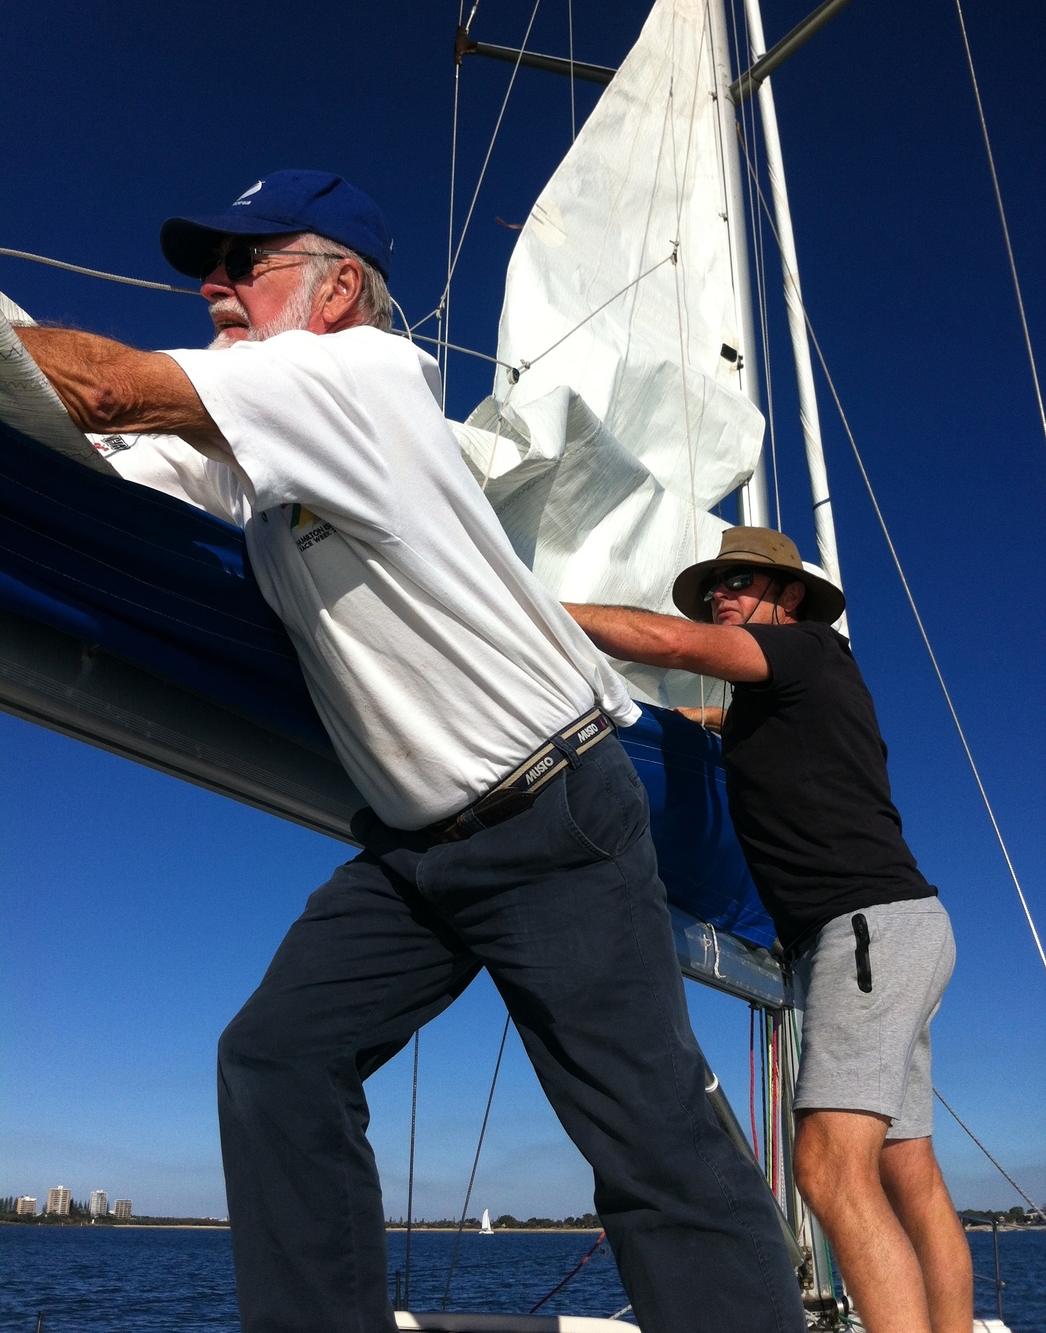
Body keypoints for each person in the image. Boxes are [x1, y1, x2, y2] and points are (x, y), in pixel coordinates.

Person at [14, 172, 805, 1333]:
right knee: (275, 1058)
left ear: (338, 289)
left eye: (245, 263)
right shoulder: (262, 443)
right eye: (210, 267)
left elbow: (106, 386)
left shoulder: (355, 379)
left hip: (549, 813)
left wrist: (91, 383)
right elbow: (94, 436)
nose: (213, 285)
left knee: (647, 1134)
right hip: (416, 849)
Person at [565, 526, 973, 1333]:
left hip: (861, 935)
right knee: (909, 1173)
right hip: (901, 930)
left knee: (826, 1171)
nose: (722, 595)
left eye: (739, 582)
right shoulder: (779, 698)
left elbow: (667, 642)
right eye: (716, 586)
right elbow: (709, 715)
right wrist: (667, 720)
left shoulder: (806, 649)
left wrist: (526, 606)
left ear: (788, 597)